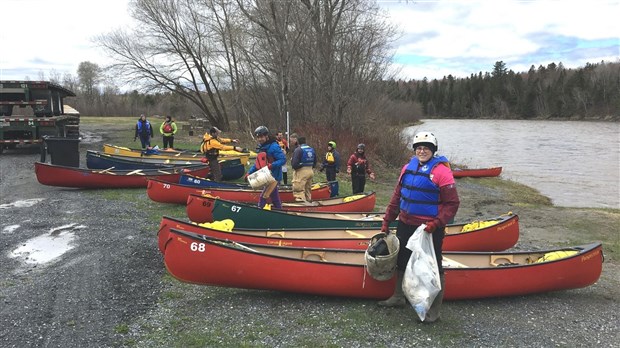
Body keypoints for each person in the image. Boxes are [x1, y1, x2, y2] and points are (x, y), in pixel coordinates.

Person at [378, 131, 460, 324]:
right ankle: (399, 296)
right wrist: (387, 220)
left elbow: (452, 204)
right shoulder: (407, 168)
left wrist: (436, 223)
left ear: (433, 150)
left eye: (426, 148)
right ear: (415, 150)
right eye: (419, 148)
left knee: (433, 266)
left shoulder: (442, 171)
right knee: (402, 259)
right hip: (405, 223)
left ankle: (433, 311)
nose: (422, 151)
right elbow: (397, 198)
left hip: (429, 229)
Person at [246, 126, 286, 208]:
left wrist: (271, 165)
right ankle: (280, 211)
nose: (260, 139)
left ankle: (259, 212)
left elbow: (282, 159)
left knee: (264, 196)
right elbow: (257, 164)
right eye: (258, 137)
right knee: (274, 197)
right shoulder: (261, 148)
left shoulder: (274, 147)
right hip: (266, 176)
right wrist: (249, 173)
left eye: (261, 137)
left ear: (266, 136)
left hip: (274, 177)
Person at [290, 135, 316, 202]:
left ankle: (301, 204)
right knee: (308, 190)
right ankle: (309, 201)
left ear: (298, 142)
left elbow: (294, 163)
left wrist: (296, 167)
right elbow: (315, 161)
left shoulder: (298, 150)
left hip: (301, 171)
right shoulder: (311, 149)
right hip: (310, 171)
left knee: (299, 190)